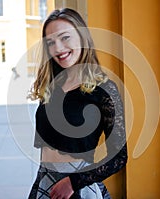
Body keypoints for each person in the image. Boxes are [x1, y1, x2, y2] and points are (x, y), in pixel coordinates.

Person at [28, 8, 127, 199]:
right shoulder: (50, 86)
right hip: (45, 181)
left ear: (82, 38)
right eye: (51, 42)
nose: (57, 48)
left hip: (79, 186)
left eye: (65, 38)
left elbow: (119, 157)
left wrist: (73, 182)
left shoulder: (104, 89)